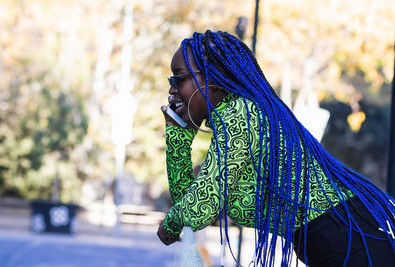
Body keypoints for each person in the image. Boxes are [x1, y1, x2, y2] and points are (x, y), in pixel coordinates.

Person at [157, 30, 395, 266]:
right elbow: (187, 205)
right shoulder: (235, 115)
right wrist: (179, 135)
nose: (172, 89)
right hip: (330, 240)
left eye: (178, 78)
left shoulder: (240, 113)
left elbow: (199, 209)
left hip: (346, 237)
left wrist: (170, 224)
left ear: (215, 78)